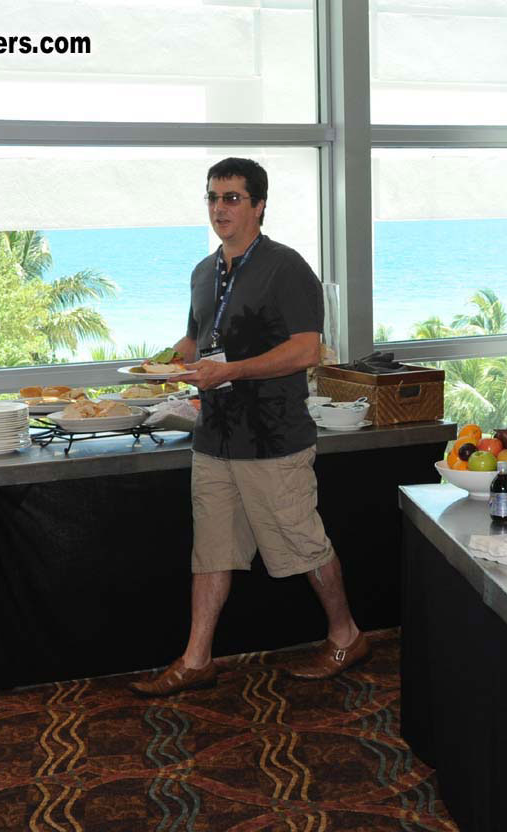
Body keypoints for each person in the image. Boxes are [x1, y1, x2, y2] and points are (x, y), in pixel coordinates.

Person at [129, 158, 369, 697]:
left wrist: (231, 370)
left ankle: (347, 634)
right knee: (211, 548)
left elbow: (308, 348)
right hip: (214, 437)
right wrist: (159, 366)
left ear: (259, 205)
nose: (220, 208)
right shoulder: (202, 271)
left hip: (274, 437)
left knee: (303, 544)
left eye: (233, 198)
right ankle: (197, 659)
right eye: (213, 197)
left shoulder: (286, 268)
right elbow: (197, 340)